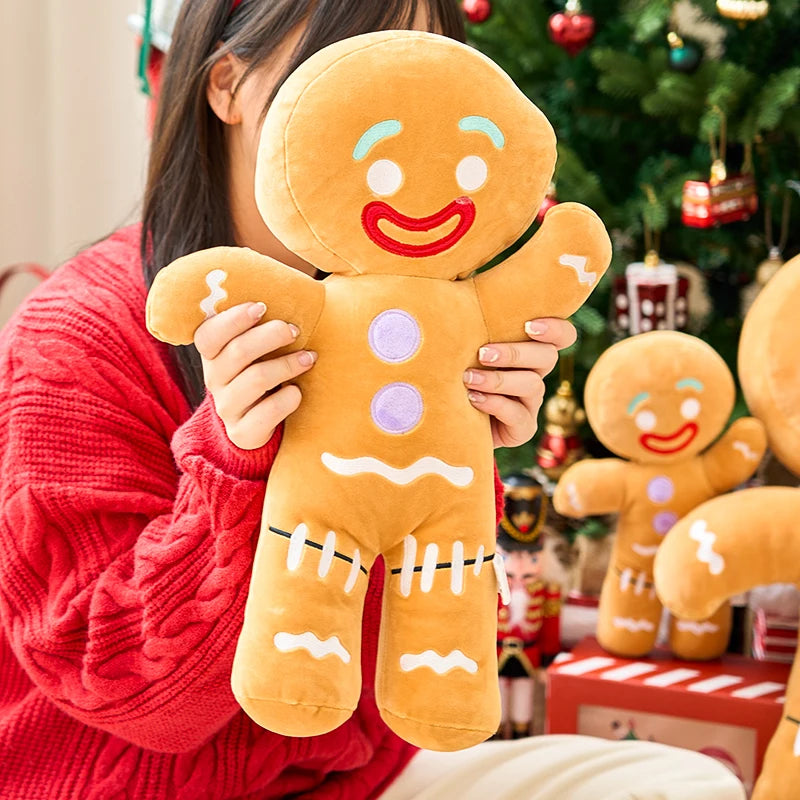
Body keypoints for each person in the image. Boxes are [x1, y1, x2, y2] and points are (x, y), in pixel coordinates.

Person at [0, 2, 573, 798]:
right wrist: (238, 459)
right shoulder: (77, 336)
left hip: (342, 779)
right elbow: (128, 694)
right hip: (122, 784)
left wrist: (460, 437)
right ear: (228, 85)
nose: (389, 93)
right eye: (346, 57)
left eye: (416, 58)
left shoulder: (414, 315)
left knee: (679, 783)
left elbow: (401, 629)